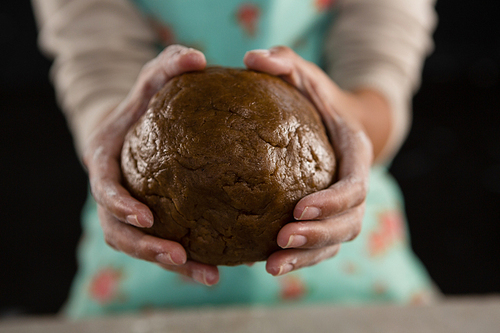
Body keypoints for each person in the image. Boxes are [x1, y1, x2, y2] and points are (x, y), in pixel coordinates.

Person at [32, 0, 439, 317]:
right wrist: (109, 147)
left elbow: (379, 77)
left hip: (347, 245)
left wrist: (344, 121)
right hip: (140, 245)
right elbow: (98, 74)